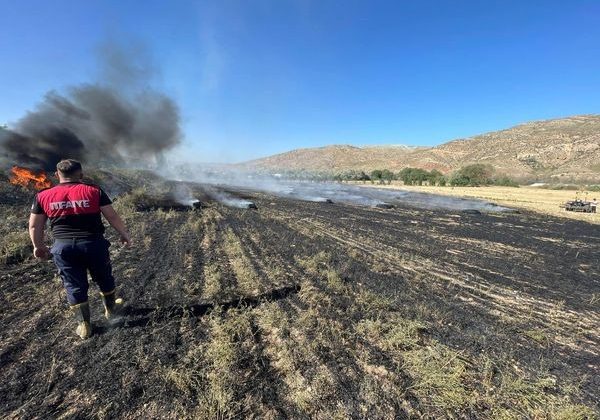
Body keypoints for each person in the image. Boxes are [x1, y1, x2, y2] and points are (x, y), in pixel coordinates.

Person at [29, 159, 132, 339]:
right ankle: (111, 310)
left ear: (57, 175)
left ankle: (84, 326)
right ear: (81, 175)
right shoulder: (94, 191)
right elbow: (112, 216)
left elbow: (35, 226)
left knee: (73, 284)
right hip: (93, 244)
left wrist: (38, 246)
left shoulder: (43, 196)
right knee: (104, 277)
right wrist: (124, 233)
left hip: (64, 248)